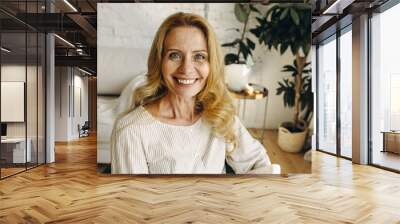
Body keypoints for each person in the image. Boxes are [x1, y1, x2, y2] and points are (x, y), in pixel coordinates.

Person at [111, 12, 273, 174]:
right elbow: (133, 198)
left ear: (211, 64)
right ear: (159, 61)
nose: (186, 69)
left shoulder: (220, 116)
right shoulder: (131, 131)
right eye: (174, 55)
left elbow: (260, 165)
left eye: (199, 56)